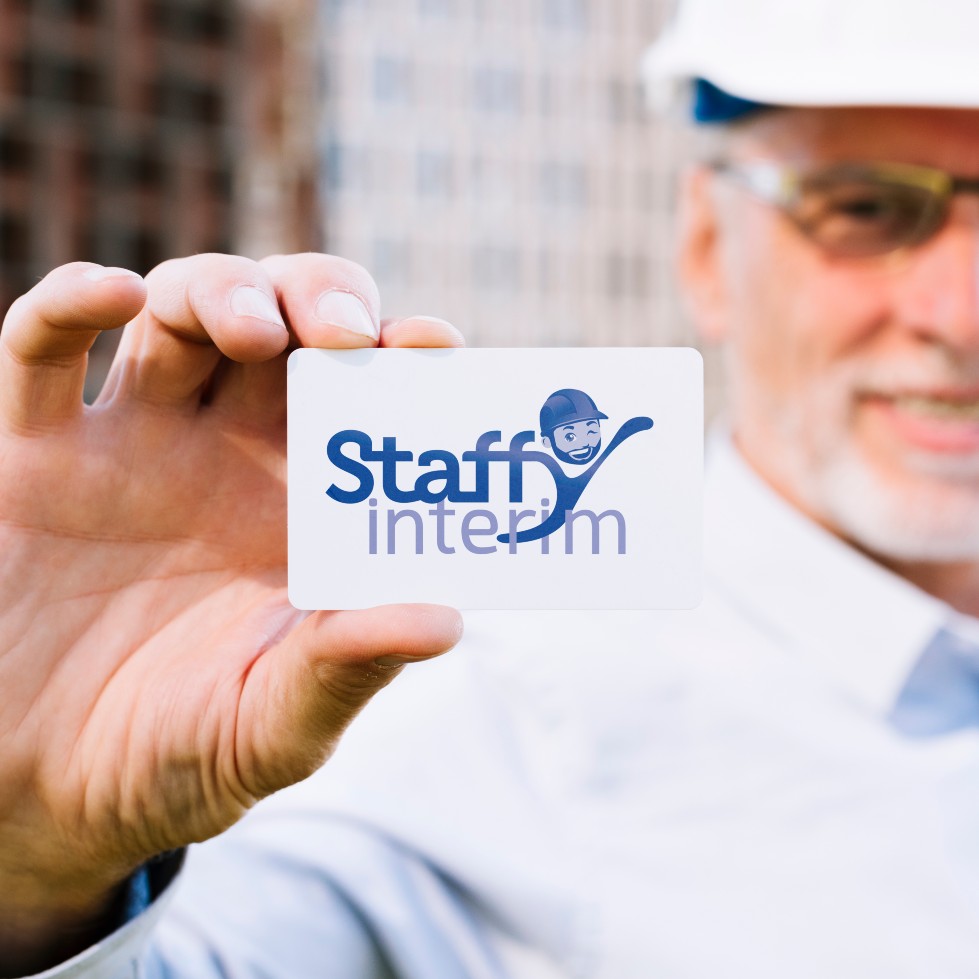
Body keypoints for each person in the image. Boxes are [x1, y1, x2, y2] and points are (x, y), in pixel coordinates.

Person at [7, 0, 979, 974]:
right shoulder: (462, 700)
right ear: (706, 251)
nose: (961, 315)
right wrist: (43, 872)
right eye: (865, 208)